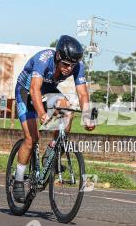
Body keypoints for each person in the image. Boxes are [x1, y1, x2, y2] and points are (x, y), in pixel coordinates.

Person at [12, 35, 95, 201]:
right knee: (31, 138)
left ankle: (52, 149)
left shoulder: (77, 66)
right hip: (26, 91)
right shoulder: (43, 59)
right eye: (65, 64)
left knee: (68, 110)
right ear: (57, 56)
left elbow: (82, 93)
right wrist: (42, 113)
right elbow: (35, 89)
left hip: (47, 89)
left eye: (72, 66)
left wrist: (87, 117)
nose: (68, 69)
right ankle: (18, 179)